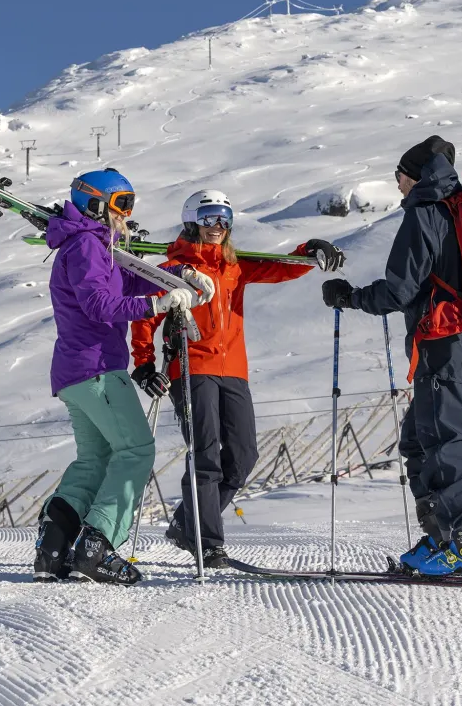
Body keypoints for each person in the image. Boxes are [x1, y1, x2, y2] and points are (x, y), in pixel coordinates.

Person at [130, 189, 345, 568]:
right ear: (192, 220)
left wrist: (309, 250)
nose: (218, 226)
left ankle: (186, 523)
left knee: (243, 458)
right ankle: (208, 543)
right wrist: (144, 363)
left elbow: (281, 267)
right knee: (206, 457)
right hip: (192, 369)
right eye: (210, 217)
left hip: (234, 372)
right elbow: (145, 317)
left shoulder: (235, 267)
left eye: (224, 219)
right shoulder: (175, 269)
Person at [34, 168, 213, 585]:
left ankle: (54, 546)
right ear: (95, 204)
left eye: (130, 204)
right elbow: (101, 304)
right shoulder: (86, 246)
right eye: (121, 204)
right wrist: (159, 304)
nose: (127, 214)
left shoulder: (91, 245)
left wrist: (177, 272)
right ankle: (96, 545)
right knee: (135, 451)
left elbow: (128, 278)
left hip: (76, 373)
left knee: (95, 458)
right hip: (97, 370)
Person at [321, 136, 462, 576]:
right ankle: (442, 536)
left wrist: (350, 297)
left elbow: (399, 289)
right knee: (419, 438)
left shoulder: (426, 211)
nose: (396, 186)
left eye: (398, 176)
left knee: (441, 439)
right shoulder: (459, 208)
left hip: (443, 343)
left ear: (412, 175)